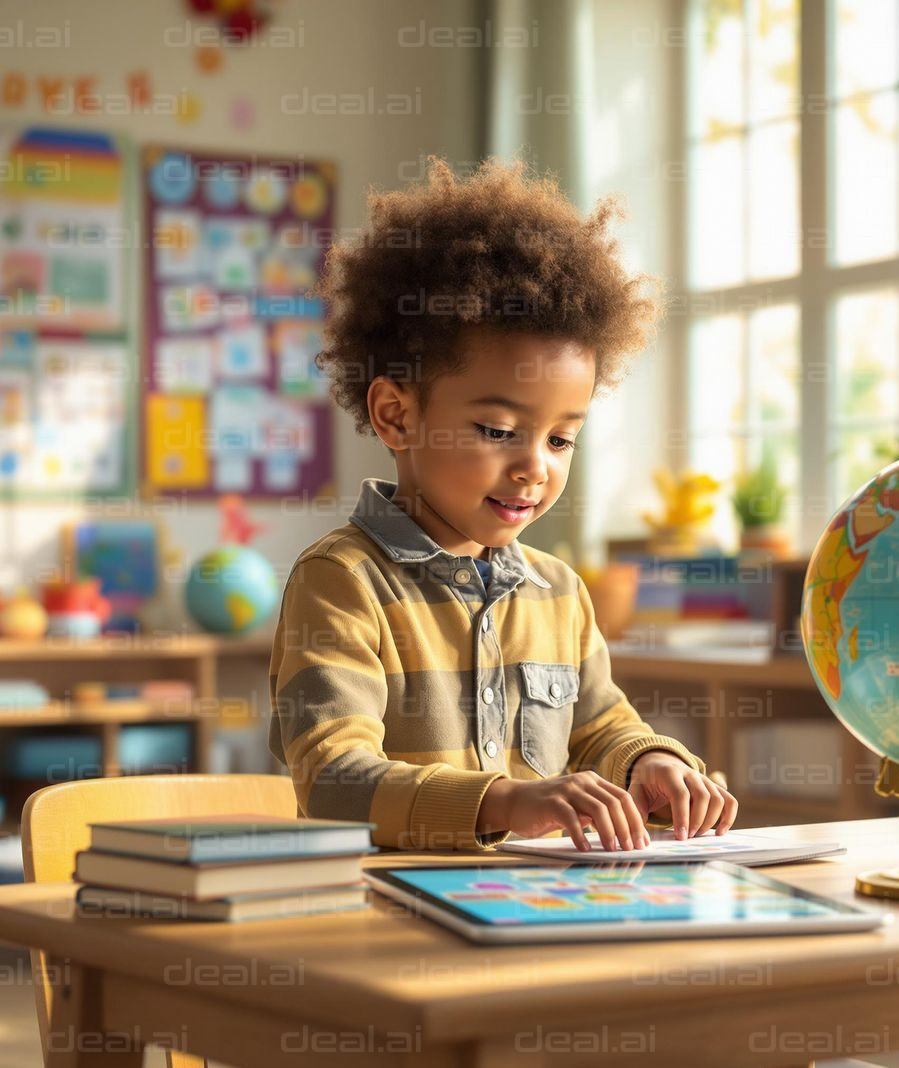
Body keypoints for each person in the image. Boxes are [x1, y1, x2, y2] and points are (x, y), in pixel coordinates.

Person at [268, 155, 737, 851]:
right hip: (387, 926)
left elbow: (603, 728)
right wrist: (504, 802)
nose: (533, 467)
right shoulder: (342, 582)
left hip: (536, 915)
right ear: (398, 416)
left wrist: (650, 762)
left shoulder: (560, 593)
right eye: (497, 431)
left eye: (560, 439)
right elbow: (334, 780)